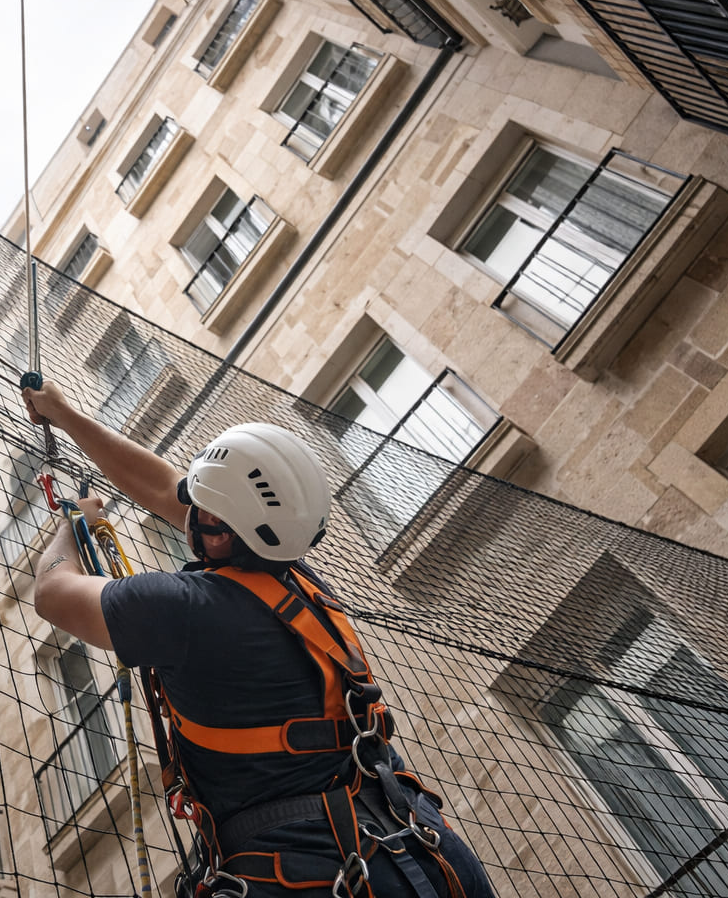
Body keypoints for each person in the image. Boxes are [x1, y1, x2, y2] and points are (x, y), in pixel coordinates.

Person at [24, 380, 495, 898]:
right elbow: (163, 488)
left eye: (203, 509)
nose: (189, 509)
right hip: (424, 854)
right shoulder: (299, 587)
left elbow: (53, 591)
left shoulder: (186, 608)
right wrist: (65, 415)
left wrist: (73, 526)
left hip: (313, 876)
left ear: (223, 531)